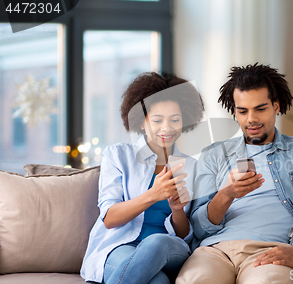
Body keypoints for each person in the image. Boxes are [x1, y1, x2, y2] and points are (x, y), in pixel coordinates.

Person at [176, 63, 293, 284]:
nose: (251, 118)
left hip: (269, 251)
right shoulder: (213, 155)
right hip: (214, 251)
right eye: (242, 111)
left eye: (260, 109)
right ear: (235, 112)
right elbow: (198, 227)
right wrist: (226, 194)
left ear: (276, 106)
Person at [80, 72, 204, 284]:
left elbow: (185, 235)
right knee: (159, 282)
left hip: (169, 250)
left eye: (175, 119)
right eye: (157, 120)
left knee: (157, 242)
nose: (167, 128)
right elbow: (109, 218)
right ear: (141, 122)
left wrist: (177, 211)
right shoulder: (119, 156)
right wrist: (153, 194)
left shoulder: (192, 167)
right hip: (120, 246)